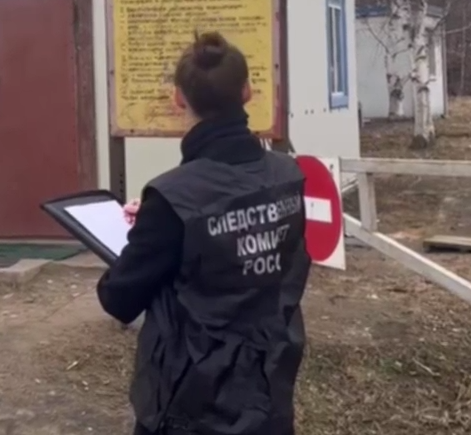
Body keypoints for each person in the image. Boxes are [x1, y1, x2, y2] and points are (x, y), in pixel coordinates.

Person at [97, 31, 311, 435]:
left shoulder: (173, 197)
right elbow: (265, 252)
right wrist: (160, 225)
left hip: (191, 405)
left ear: (179, 98)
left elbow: (118, 298)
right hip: (269, 389)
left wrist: (158, 229)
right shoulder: (288, 174)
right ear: (247, 92)